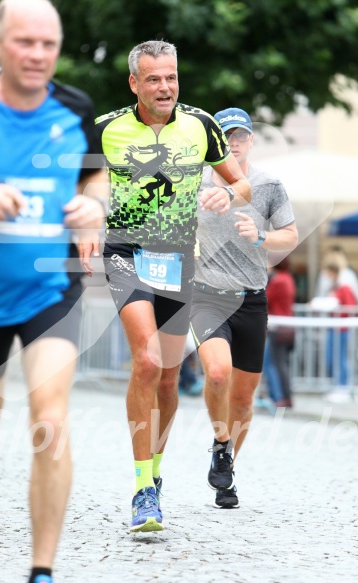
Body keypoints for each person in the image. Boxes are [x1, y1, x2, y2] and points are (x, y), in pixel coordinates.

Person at [80, 41, 252, 532]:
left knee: (171, 379)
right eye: (154, 79)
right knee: (147, 361)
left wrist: (225, 192)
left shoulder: (201, 125)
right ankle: (140, 491)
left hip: (178, 262)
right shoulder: (108, 128)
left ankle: (154, 476)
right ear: (134, 83)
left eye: (171, 78)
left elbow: (241, 185)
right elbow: (87, 182)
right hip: (126, 254)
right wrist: (91, 215)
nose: (165, 88)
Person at [0, 1, 104, 582]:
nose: (38, 55)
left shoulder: (74, 109)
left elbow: (94, 173)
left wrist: (93, 204)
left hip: (53, 285)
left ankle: (41, 571)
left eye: (48, 45)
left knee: (50, 416)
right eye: (25, 42)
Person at [189, 107, 298, 509]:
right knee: (217, 372)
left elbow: (290, 235)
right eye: (226, 136)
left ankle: (227, 468)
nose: (233, 143)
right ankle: (221, 444)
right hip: (206, 294)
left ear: (251, 140)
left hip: (252, 298)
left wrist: (260, 237)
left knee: (243, 400)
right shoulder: (194, 181)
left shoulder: (268, 185)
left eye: (240, 136)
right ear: (214, 142)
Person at [265, 257, 297, 408]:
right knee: (282, 364)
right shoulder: (288, 278)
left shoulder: (278, 281)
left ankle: (278, 398)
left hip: (277, 327)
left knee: (273, 363)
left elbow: (265, 299)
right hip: (287, 326)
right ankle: (286, 397)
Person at [323, 262, 357, 403]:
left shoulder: (344, 288)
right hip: (335, 327)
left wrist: (336, 306)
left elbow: (350, 307)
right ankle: (339, 384)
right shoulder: (334, 287)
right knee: (333, 358)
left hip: (342, 329)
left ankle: (343, 386)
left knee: (341, 358)